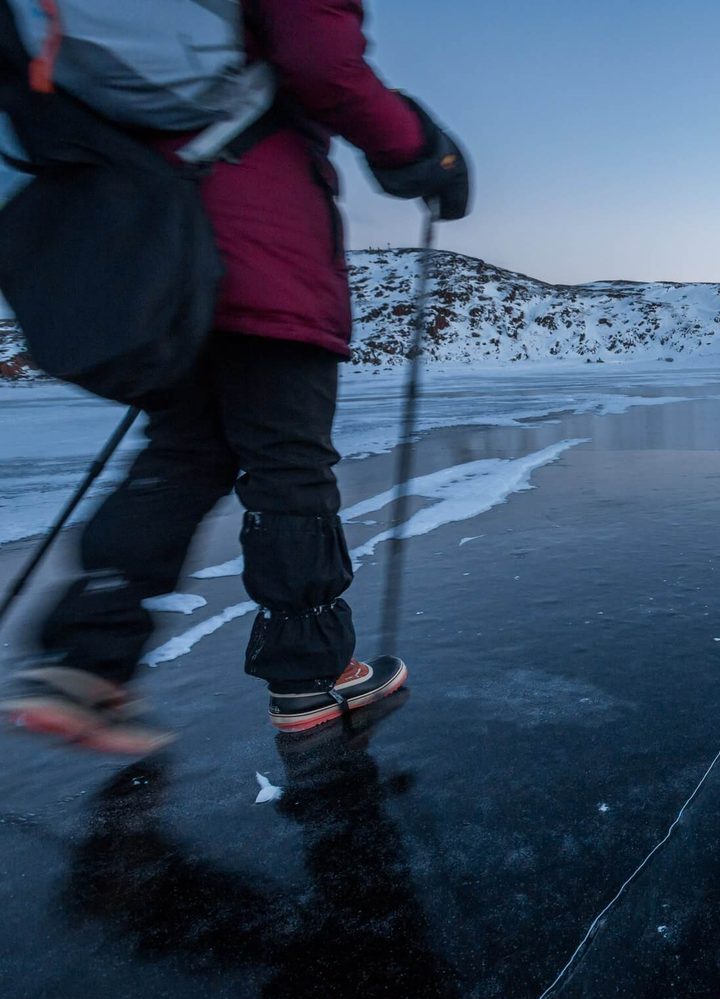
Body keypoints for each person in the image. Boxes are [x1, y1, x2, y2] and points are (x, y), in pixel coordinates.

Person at [0, 1, 470, 753]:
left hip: (161, 255)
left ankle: (85, 660)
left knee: (183, 452)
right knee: (288, 461)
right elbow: (321, 58)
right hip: (263, 244)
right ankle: (315, 677)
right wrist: (422, 147)